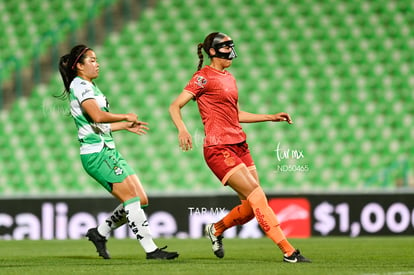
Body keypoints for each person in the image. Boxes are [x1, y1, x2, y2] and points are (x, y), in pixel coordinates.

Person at [169, 32, 310, 263]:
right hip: (218, 148)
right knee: (258, 196)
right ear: (212, 51)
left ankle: (215, 229)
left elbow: (234, 114)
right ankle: (289, 251)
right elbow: (175, 106)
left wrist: (270, 117)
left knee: (250, 206)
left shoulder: (229, 78)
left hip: (239, 144)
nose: (230, 51)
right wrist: (182, 129)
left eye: (231, 46)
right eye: (225, 47)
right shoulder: (203, 77)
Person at [58, 44, 178, 260]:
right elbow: (97, 116)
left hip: (108, 149)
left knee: (140, 198)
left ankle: (100, 232)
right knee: (131, 198)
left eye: (96, 59)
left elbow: (96, 124)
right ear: (79, 66)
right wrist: (125, 116)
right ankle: (152, 250)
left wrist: (123, 126)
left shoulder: (90, 87)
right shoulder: (81, 86)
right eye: (92, 60)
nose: (97, 64)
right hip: (96, 154)